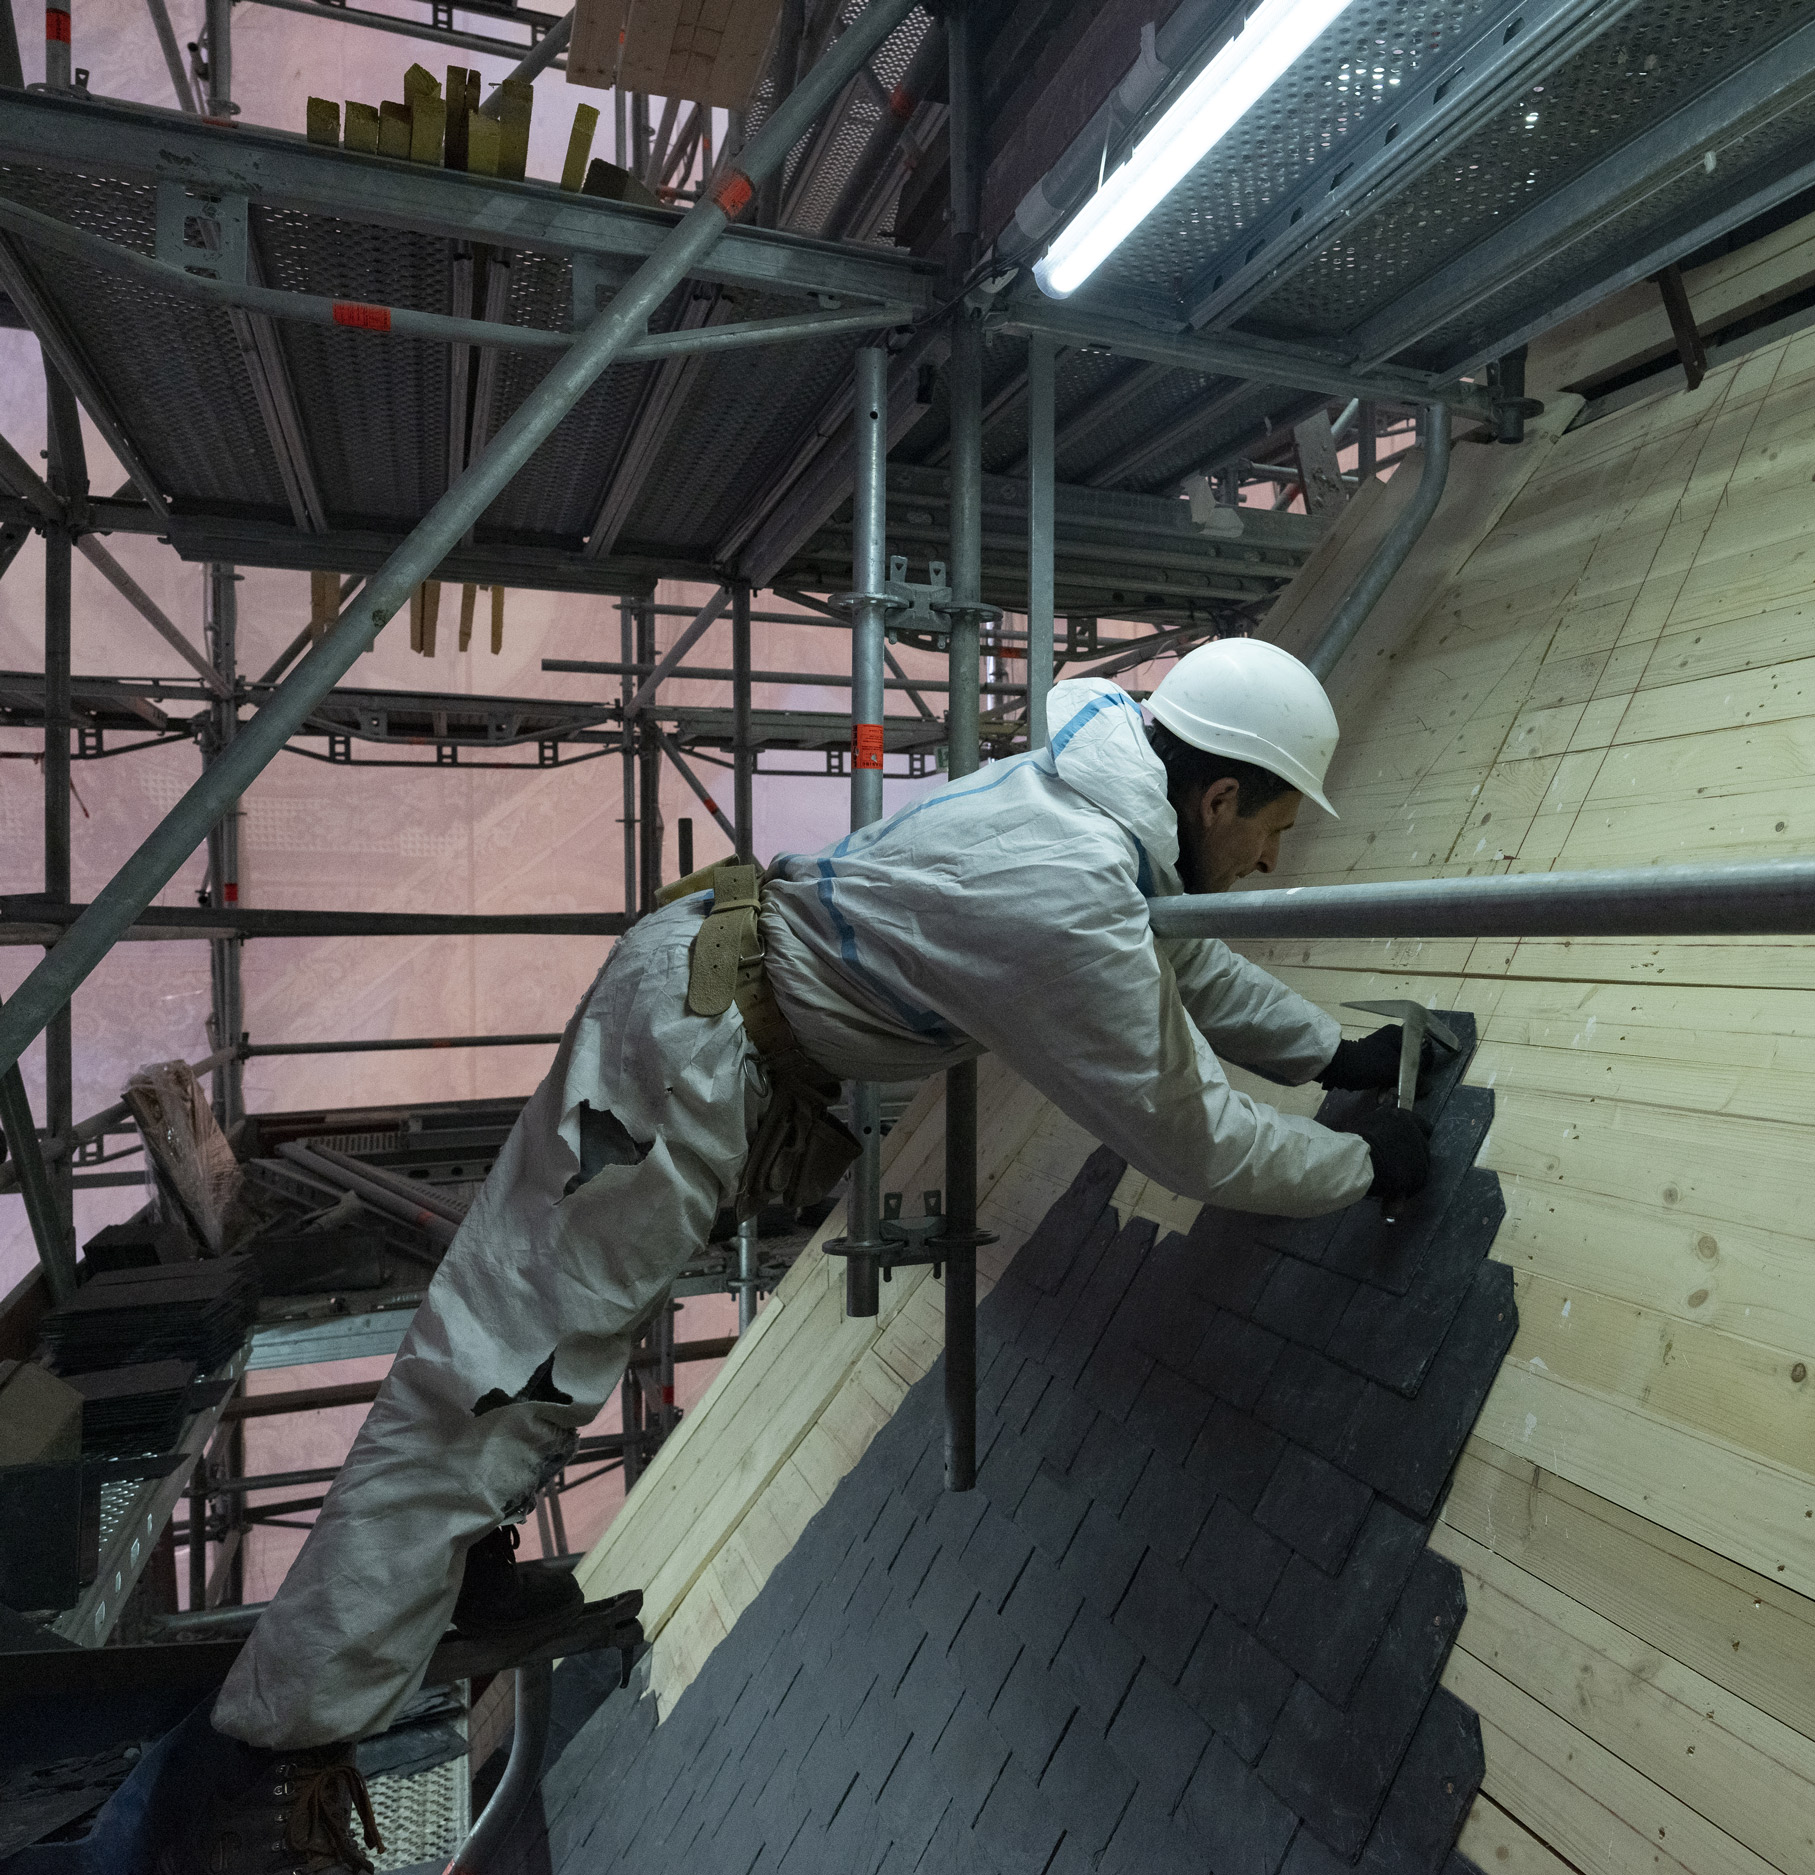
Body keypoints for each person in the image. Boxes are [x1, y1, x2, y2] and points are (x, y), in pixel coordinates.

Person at [163, 640, 1433, 1871]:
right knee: (499, 1362)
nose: (1274, 861)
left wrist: (1331, 1054)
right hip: (691, 1046)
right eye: (1273, 831)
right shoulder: (1068, 892)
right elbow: (1193, 1136)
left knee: (532, 1354)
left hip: (705, 1001)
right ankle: (282, 1739)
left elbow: (1175, 950)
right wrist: (1361, 1164)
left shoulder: (1096, 779)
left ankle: (450, 1574)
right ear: (1215, 794)